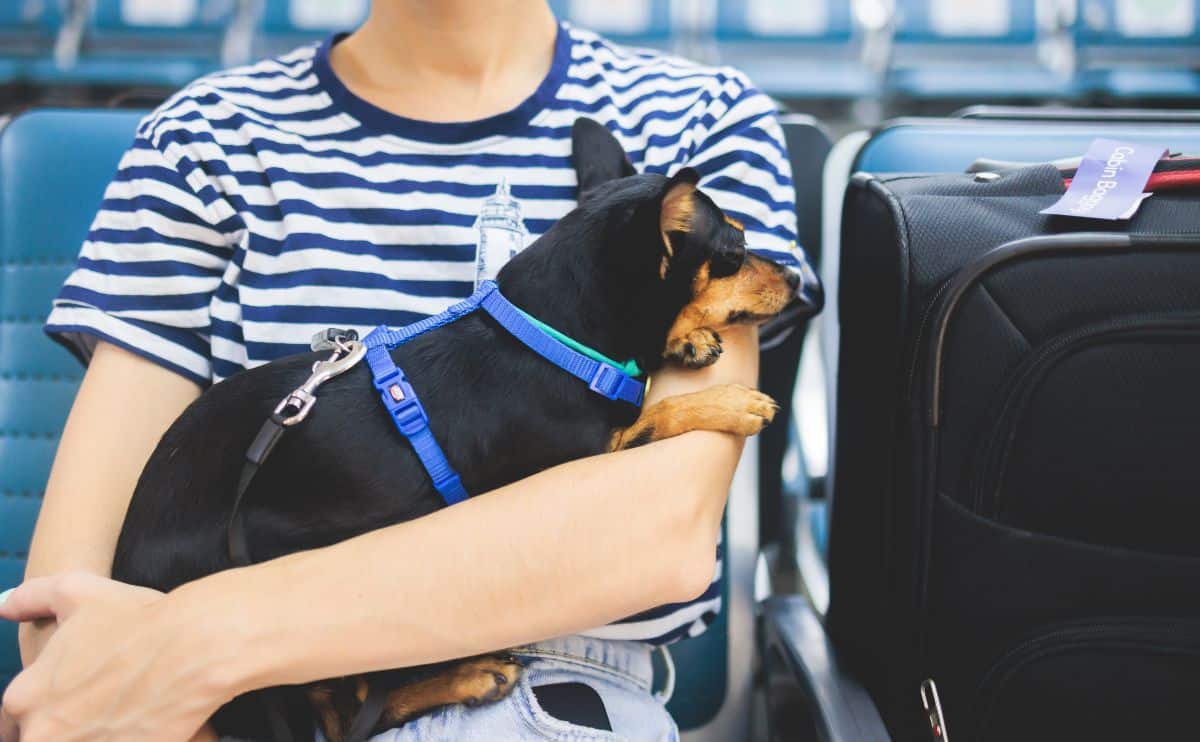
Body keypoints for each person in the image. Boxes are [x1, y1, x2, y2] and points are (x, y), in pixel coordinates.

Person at [0, 1, 803, 739]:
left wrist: (203, 638)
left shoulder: (697, 117)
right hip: (224, 715)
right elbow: (65, 625)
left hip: (533, 698)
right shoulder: (203, 139)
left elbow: (648, 534)